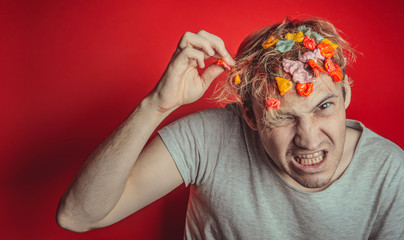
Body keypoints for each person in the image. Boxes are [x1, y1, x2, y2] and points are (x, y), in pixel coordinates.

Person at [56, 17, 404, 239]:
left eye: (323, 106)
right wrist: (157, 104)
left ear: (345, 95)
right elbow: (77, 216)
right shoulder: (211, 138)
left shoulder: (390, 172)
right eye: (282, 116)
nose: (308, 138)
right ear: (250, 117)